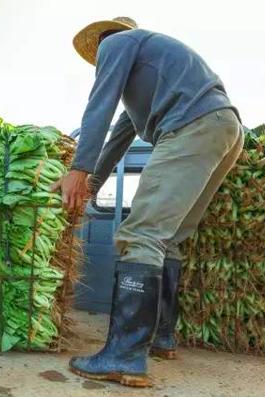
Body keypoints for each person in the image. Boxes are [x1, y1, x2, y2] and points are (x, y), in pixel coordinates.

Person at [53, 17, 244, 387]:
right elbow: (116, 141)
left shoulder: (116, 43)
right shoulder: (145, 91)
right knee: (167, 238)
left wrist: (77, 169)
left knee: (140, 234)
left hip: (191, 125)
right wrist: (91, 181)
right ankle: (161, 338)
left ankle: (123, 356)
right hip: (224, 127)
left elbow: (99, 104)